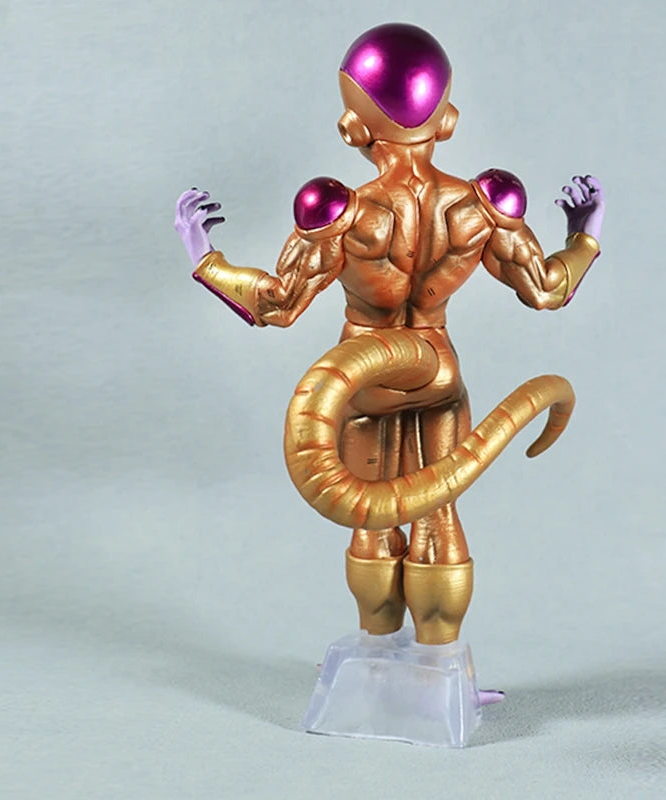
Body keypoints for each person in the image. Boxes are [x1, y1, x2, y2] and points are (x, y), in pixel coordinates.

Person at [174, 23, 605, 647]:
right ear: (447, 118)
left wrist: (206, 259)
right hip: (438, 375)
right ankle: (438, 669)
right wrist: (584, 237)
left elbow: (279, 304)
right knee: (437, 511)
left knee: (371, 519)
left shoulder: (344, 214)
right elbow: (546, 288)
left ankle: (375, 661)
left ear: (352, 126)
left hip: (363, 383)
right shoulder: (480, 206)